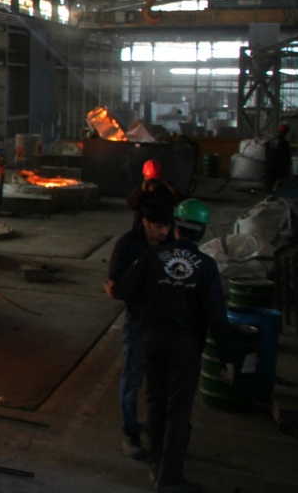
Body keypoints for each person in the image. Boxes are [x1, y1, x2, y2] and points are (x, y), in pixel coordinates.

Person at [111, 199, 234, 493]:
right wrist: (227, 358)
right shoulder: (205, 266)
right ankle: (170, 477)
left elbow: (121, 289)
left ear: (176, 227)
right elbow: (216, 314)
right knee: (178, 411)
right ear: (202, 231)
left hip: (152, 342)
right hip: (185, 347)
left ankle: (156, 464)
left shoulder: (153, 257)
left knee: (156, 402)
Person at [103, 195, 174, 461]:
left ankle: (158, 428)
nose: (164, 232)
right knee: (133, 377)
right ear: (145, 222)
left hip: (166, 321)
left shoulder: (172, 243)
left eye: (167, 225)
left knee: (162, 379)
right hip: (138, 320)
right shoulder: (128, 245)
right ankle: (130, 431)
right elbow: (114, 285)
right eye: (158, 226)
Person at [126, 159, 180, 226]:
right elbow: (131, 205)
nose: (153, 184)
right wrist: (142, 192)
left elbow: (178, 202)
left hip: (162, 225)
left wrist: (173, 191)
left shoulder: (166, 189)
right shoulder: (140, 192)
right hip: (144, 227)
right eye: (151, 181)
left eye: (155, 181)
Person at [264, 124, 291, 192]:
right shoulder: (284, 143)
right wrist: (288, 164)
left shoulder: (269, 141)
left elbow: (266, 153)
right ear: (286, 132)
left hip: (269, 165)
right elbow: (286, 156)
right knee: (280, 184)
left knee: (270, 183)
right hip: (279, 167)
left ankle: (269, 196)